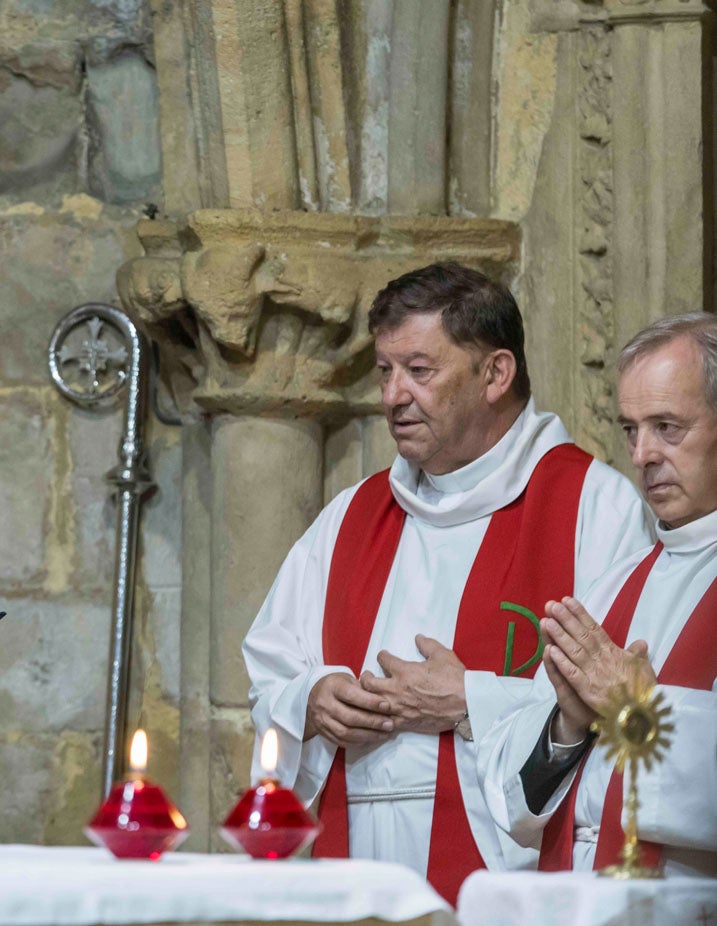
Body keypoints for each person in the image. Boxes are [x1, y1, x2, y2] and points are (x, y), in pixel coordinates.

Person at [242, 262, 650, 903]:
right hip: (352, 864)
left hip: (505, 876)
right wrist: (312, 700)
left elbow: (628, 709)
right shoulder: (352, 515)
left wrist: (467, 702)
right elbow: (269, 665)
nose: (392, 395)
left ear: (495, 373)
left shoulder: (591, 508)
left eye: (419, 370)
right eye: (384, 371)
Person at [481, 313, 717, 877]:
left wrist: (636, 709)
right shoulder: (615, 582)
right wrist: (566, 726)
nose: (641, 455)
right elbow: (509, 797)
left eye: (667, 427)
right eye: (630, 430)